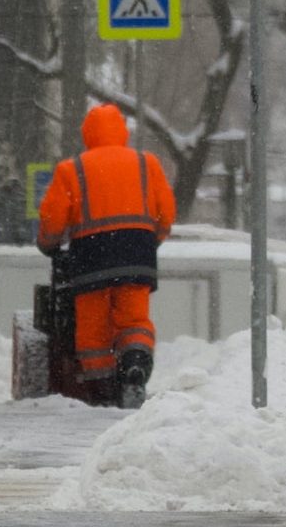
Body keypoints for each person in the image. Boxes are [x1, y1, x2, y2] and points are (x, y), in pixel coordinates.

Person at [36, 103, 176, 408]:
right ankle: (135, 367)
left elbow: (53, 218)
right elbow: (166, 211)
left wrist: (48, 243)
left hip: (90, 257)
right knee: (134, 319)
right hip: (137, 252)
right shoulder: (146, 163)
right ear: (123, 133)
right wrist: (155, 238)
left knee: (93, 327)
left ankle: (101, 389)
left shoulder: (71, 169)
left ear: (87, 134)